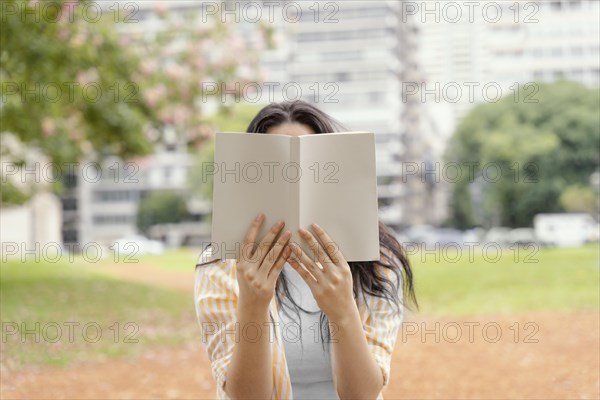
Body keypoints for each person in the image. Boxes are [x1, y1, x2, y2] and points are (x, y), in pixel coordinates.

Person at [194, 100, 418, 400]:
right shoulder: (219, 265)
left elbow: (362, 394)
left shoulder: (376, 262)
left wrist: (342, 310)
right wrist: (253, 304)